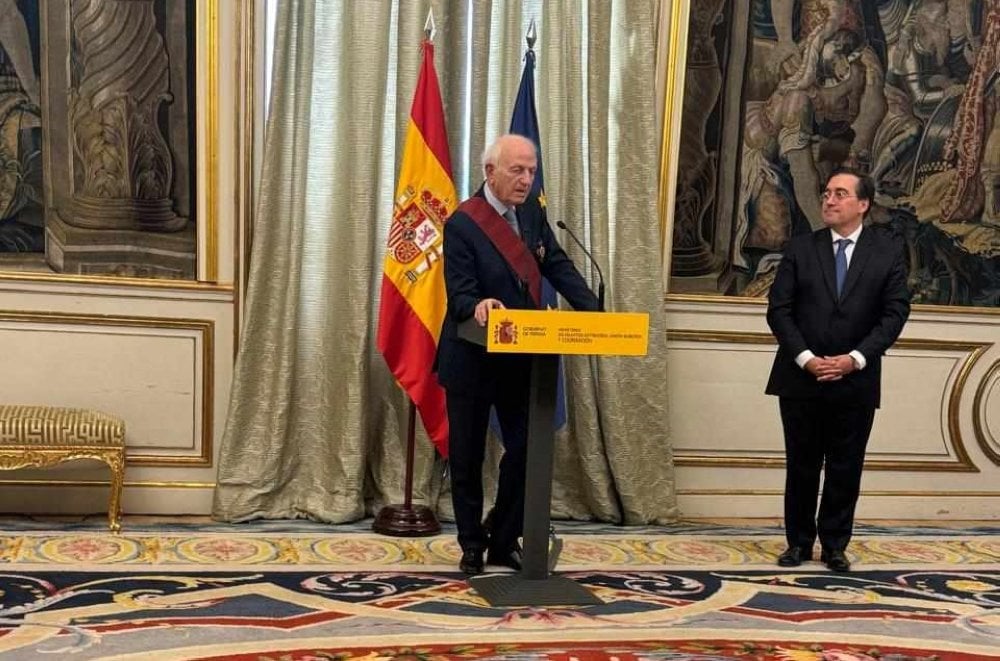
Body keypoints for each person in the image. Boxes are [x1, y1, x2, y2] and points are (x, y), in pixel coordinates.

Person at [435, 134, 600, 576]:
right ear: (490, 172)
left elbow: (558, 264)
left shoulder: (532, 214)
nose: (527, 179)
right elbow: (460, 294)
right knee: (467, 456)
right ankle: (471, 544)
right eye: (517, 170)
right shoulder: (462, 224)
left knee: (529, 447)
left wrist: (594, 311)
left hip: (520, 355)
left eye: (531, 170)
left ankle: (502, 537)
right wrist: (478, 306)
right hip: (470, 355)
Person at [765, 167, 910, 572]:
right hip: (800, 378)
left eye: (840, 193)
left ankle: (834, 545)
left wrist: (855, 359)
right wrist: (807, 359)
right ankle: (797, 543)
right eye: (827, 192)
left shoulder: (886, 252)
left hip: (857, 378)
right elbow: (779, 310)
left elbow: (895, 313)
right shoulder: (799, 249)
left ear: (863, 204)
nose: (829, 199)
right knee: (802, 464)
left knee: (846, 466)